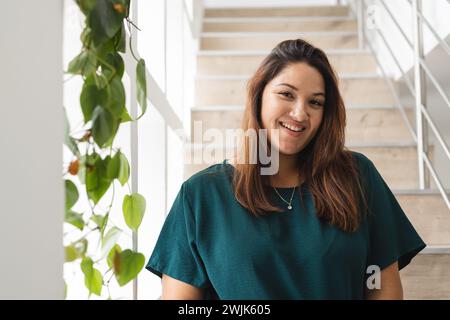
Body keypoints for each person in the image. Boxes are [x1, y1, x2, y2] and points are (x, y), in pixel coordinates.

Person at [145, 38, 426, 300]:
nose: (300, 113)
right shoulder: (200, 195)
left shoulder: (358, 176)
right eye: (286, 94)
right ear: (259, 96)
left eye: (315, 102)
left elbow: (382, 288)